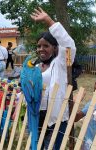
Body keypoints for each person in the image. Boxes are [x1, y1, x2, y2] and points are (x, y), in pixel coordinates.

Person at [30, 7, 76, 149]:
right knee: (37, 145)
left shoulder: (61, 63)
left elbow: (69, 45)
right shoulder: (35, 66)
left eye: (46, 45)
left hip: (56, 114)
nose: (41, 49)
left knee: (57, 146)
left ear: (55, 48)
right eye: (38, 46)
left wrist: (49, 21)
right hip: (37, 113)